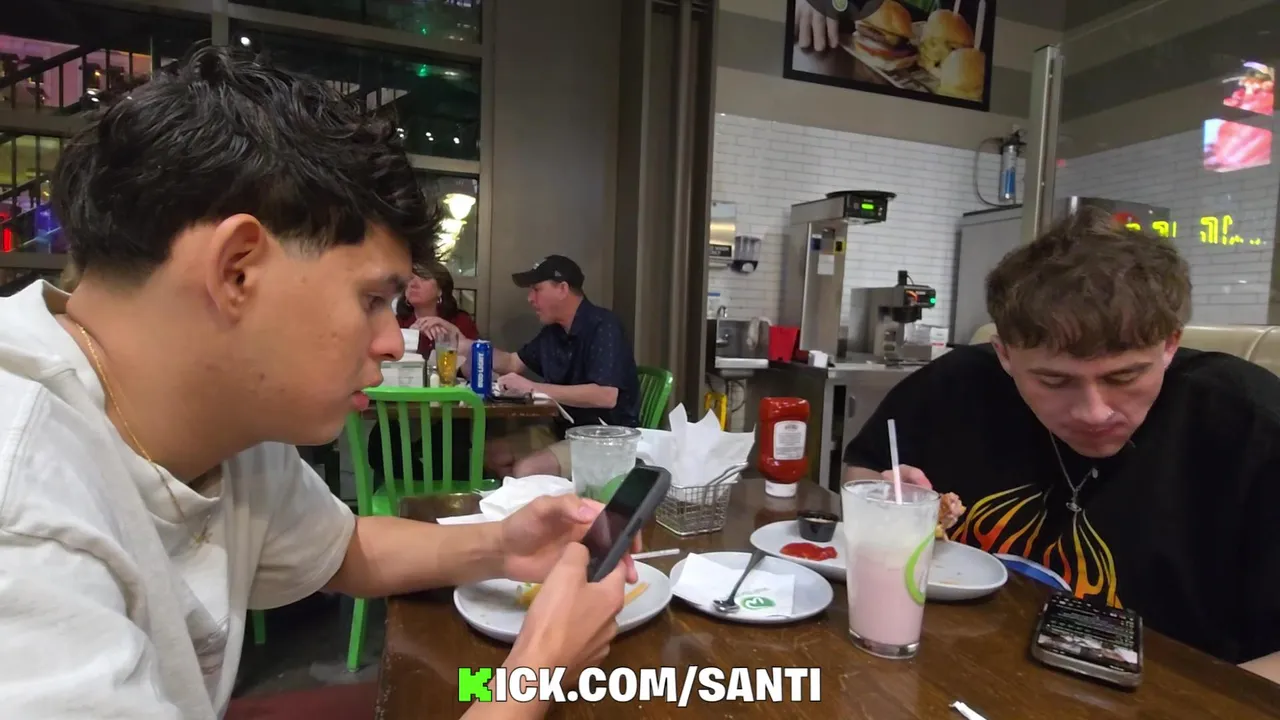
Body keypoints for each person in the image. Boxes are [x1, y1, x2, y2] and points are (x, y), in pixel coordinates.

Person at [0, 45, 638, 720]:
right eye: (371, 299)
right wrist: (539, 669)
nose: (390, 340)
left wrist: (504, 545)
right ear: (237, 270)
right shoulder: (24, 505)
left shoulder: (228, 426)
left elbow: (344, 549)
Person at [841, 207, 1280, 684]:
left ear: (1170, 344)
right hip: (953, 672)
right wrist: (890, 504)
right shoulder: (955, 386)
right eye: (1053, 380)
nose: (1094, 412)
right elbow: (864, 467)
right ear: (1005, 355)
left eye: (1124, 377)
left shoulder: (1251, 427)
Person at [422, 255, 640, 478]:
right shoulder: (553, 332)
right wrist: (463, 343)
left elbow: (606, 396)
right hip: (564, 431)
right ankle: (540, 495)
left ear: (562, 289)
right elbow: (512, 362)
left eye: (537, 289)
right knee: (487, 454)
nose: (530, 298)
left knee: (526, 469)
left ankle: (553, 497)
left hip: (605, 439)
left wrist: (533, 387)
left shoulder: (603, 326)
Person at [397, 260, 479, 357]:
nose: (413, 284)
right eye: (410, 279)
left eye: (423, 278)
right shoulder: (395, 323)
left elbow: (479, 360)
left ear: (440, 290)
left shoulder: (461, 321)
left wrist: (454, 335)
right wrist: (409, 336)